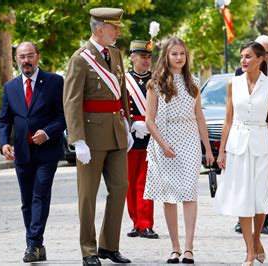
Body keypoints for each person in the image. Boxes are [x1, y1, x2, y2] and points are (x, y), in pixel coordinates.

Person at [63, 7, 133, 266]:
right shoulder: (80, 58)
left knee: (120, 188)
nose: (117, 32)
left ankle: (108, 245)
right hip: (90, 137)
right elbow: (71, 100)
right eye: (114, 28)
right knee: (87, 196)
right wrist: (77, 139)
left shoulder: (114, 54)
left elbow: (121, 90)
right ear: (99, 28)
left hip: (116, 132)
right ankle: (88, 250)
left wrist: (127, 121)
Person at [143, 37, 214, 264]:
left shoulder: (193, 82)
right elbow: (149, 120)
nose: (179, 58)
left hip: (189, 140)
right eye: (174, 54)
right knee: (169, 196)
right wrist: (163, 145)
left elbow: (200, 117)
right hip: (164, 140)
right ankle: (174, 248)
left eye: (182, 53)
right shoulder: (155, 84)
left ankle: (189, 248)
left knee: (189, 193)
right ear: (166, 56)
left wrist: (208, 149)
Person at [0, 41, 65, 263]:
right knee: (27, 200)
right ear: (16, 59)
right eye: (21, 57)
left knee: (40, 195)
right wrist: (4, 143)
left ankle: (32, 244)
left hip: (47, 152)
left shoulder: (54, 82)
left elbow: (64, 116)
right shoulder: (11, 87)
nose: (26, 61)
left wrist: (48, 132)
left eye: (30, 56)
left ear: (37, 56)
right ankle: (36, 244)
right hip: (22, 154)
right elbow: (4, 120)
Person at [214, 41, 268, 265]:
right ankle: (250, 251)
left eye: (248, 56)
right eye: (242, 56)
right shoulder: (233, 83)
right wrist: (221, 151)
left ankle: (256, 238)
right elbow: (228, 119)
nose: (243, 60)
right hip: (237, 145)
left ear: (261, 59)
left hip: (263, 145)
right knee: (243, 198)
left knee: (260, 199)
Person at [234, 34, 268, 235]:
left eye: (266, 52)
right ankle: (243, 220)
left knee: (265, 181)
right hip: (245, 132)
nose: (264, 55)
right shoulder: (239, 75)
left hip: (267, 128)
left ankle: (264, 219)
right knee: (244, 181)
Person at [124, 40, 159, 239]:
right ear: (132, 57)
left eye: (148, 57)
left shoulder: (157, 80)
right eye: (142, 56)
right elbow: (118, 107)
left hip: (150, 135)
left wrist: (150, 124)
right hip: (129, 135)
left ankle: (146, 223)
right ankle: (136, 222)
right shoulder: (123, 81)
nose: (146, 60)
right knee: (129, 182)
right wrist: (130, 123)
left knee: (146, 181)